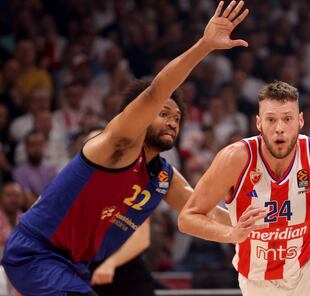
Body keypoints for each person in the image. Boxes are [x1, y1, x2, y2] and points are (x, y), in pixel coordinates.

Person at [1, 1, 251, 295]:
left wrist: (258, 232)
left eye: (177, 118)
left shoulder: (161, 177)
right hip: (37, 252)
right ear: (142, 116)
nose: (172, 122)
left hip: (74, 265)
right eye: (163, 114)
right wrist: (204, 46)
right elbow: (158, 90)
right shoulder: (113, 146)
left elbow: (204, 211)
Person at [179, 80, 310, 296]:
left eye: (287, 119)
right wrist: (231, 234)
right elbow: (188, 217)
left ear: (300, 121)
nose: (279, 128)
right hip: (258, 282)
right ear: (259, 123)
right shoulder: (234, 159)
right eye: (271, 120)